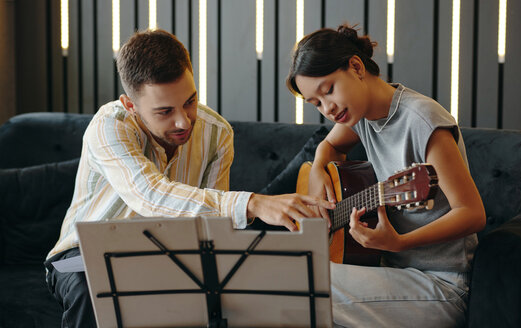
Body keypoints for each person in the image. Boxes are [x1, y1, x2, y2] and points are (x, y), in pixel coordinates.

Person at [44, 29, 333, 328]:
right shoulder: (110, 125)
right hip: (80, 256)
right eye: (165, 111)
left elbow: (209, 230)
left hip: (168, 256)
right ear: (131, 105)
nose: (183, 120)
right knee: (91, 291)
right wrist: (254, 203)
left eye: (190, 101)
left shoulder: (217, 134)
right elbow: (150, 196)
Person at [286, 25, 486, 327]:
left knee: (297, 278)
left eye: (328, 90)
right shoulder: (361, 114)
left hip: (441, 285)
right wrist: (317, 167)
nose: (328, 108)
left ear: (355, 67)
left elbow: (472, 214)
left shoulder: (421, 120)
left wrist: (400, 243)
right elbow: (329, 145)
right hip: (389, 271)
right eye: (316, 103)